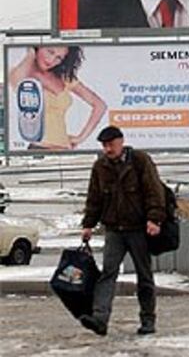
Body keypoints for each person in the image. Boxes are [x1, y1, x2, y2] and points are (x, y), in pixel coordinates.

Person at [80, 126, 166, 337]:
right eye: (104, 146)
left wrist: (154, 219)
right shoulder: (100, 167)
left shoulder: (139, 161)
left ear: (121, 142)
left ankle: (148, 320)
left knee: (144, 276)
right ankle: (100, 319)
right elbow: (94, 198)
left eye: (111, 144)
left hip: (138, 229)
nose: (108, 149)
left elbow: (154, 192)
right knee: (107, 274)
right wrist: (88, 224)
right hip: (114, 230)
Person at [9, 46, 107, 150]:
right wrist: (31, 53)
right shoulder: (23, 75)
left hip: (65, 149)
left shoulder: (64, 78)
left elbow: (100, 105)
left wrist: (80, 138)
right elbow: (17, 82)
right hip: (39, 148)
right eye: (50, 52)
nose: (52, 60)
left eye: (59, 58)